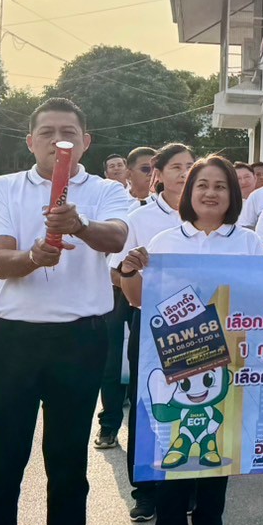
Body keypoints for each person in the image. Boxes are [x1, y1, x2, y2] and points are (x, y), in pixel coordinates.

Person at [0, 98, 134, 525]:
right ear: (30, 141)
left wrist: (78, 226)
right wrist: (34, 256)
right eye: (46, 132)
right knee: (3, 460)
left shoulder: (106, 190)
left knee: (66, 463)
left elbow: (116, 238)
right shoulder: (2, 188)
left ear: (85, 142)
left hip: (80, 339)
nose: (57, 140)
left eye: (68, 132)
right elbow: (1, 260)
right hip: (12, 341)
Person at [117, 155, 263, 525]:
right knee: (173, 460)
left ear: (233, 195)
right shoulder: (164, 240)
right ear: (188, 192)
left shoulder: (248, 242)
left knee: (215, 460)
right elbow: (137, 299)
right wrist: (129, 270)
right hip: (173, 365)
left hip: (227, 365)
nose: (210, 193)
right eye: (202, 185)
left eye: (220, 186)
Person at [110, 142, 196, 524]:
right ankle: (145, 491)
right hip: (150, 323)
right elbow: (117, 273)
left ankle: (187, 486)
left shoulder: (206, 216)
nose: (184, 173)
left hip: (196, 327)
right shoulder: (139, 218)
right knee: (146, 404)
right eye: (176, 166)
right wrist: (140, 276)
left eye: (190, 165)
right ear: (158, 173)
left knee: (192, 404)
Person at [94, 144, 155, 451]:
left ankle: (146, 432)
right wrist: (124, 277)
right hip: (118, 291)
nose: (152, 175)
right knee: (113, 360)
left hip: (153, 296)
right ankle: (109, 424)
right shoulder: (119, 208)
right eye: (146, 169)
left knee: (145, 362)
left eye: (156, 168)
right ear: (129, 174)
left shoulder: (171, 210)